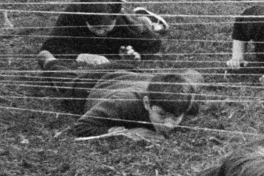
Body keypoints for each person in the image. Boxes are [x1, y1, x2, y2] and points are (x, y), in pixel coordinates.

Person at [37, 52, 204, 140]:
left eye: (175, 118)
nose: (168, 125)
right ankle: (49, 61)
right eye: (162, 115)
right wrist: (126, 132)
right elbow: (82, 126)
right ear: (146, 103)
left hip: (129, 71)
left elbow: (195, 75)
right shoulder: (122, 102)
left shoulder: (188, 101)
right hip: (91, 85)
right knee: (66, 82)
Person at [39, 0, 169, 65]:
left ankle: (148, 20)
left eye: (106, 27)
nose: (100, 32)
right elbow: (51, 45)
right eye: (95, 27)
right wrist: (80, 56)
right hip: (87, 46)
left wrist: (138, 56)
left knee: (148, 28)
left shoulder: (125, 22)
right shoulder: (73, 14)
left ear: (115, 17)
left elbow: (154, 44)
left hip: (126, 28)